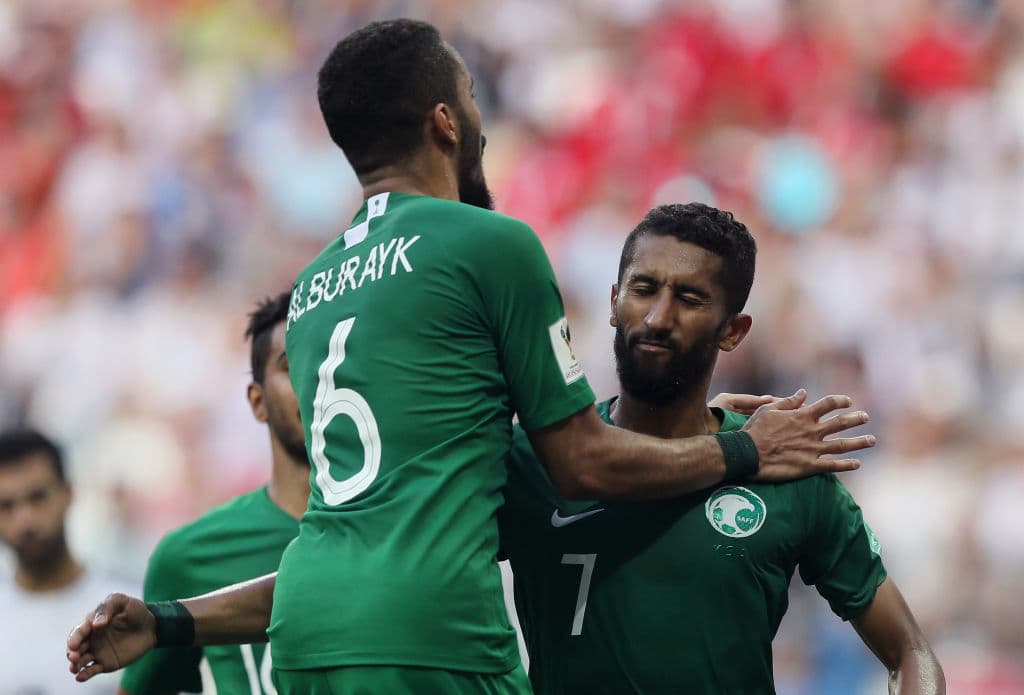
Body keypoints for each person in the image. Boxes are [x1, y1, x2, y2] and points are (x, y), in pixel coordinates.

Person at [67, 19, 876, 695]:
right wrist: (741, 449)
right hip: (433, 632)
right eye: (474, 99)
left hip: (310, 631)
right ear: (446, 122)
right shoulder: (492, 244)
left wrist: (172, 618)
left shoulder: (313, 289)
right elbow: (582, 461)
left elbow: (378, 515)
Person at [499, 203, 945, 695]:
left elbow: (910, 651)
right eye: (643, 289)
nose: (657, 317)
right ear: (612, 301)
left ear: (733, 330)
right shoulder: (534, 460)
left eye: (689, 299)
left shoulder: (786, 466)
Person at [117, 292, 307, 695]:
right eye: (293, 366)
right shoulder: (189, 559)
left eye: (330, 362)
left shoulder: (405, 529)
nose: (317, 381)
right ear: (258, 401)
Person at [0, 427, 136, 694]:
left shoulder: (129, 611)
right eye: (6, 506)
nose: (25, 520)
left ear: (68, 492)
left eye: (37, 497)